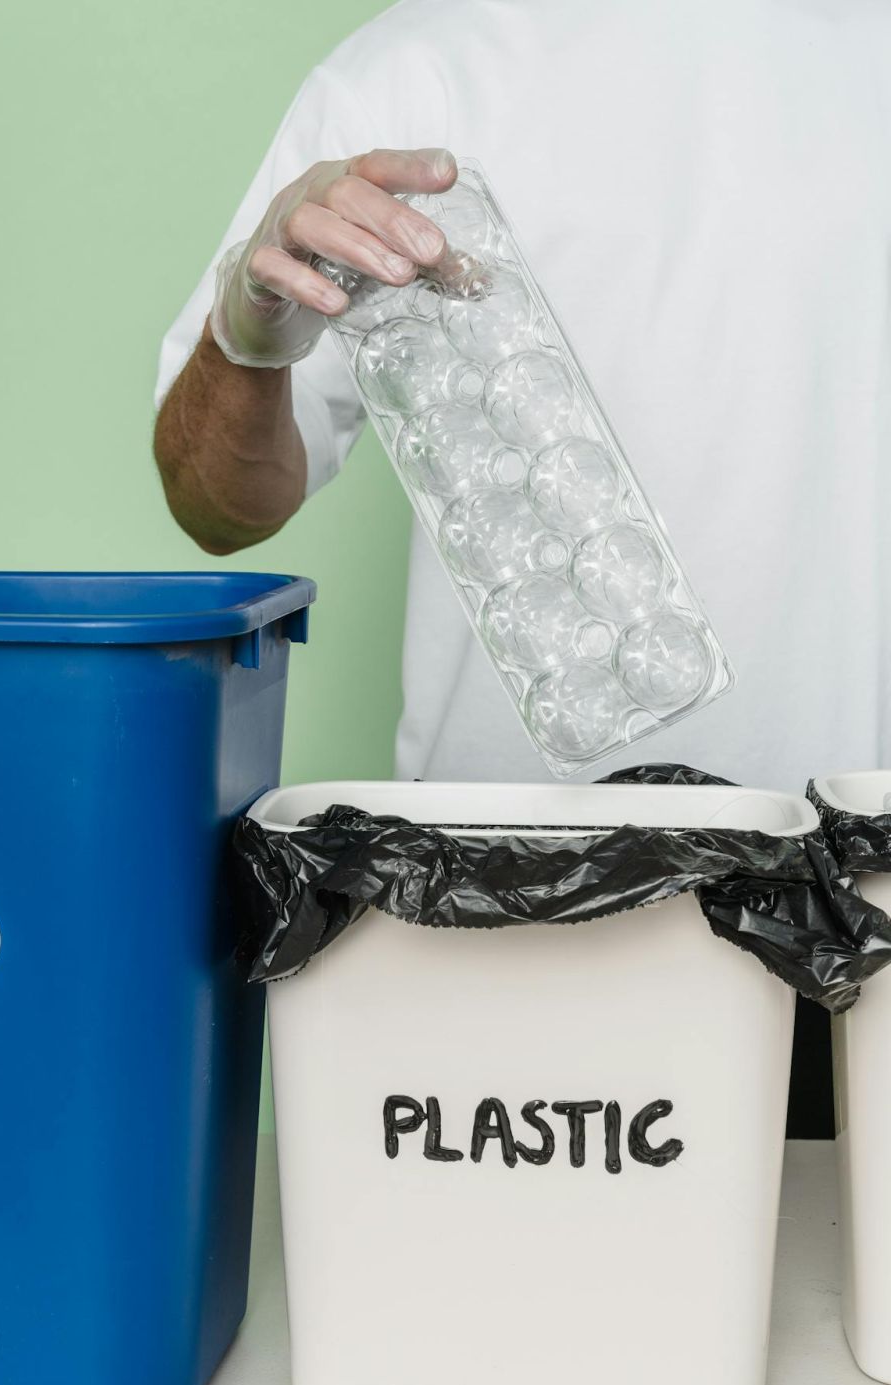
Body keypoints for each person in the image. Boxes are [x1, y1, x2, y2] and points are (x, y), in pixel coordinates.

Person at [154, 0, 891, 795]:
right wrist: (243, 348)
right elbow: (217, 508)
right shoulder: (414, 71)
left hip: (854, 868)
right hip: (503, 870)